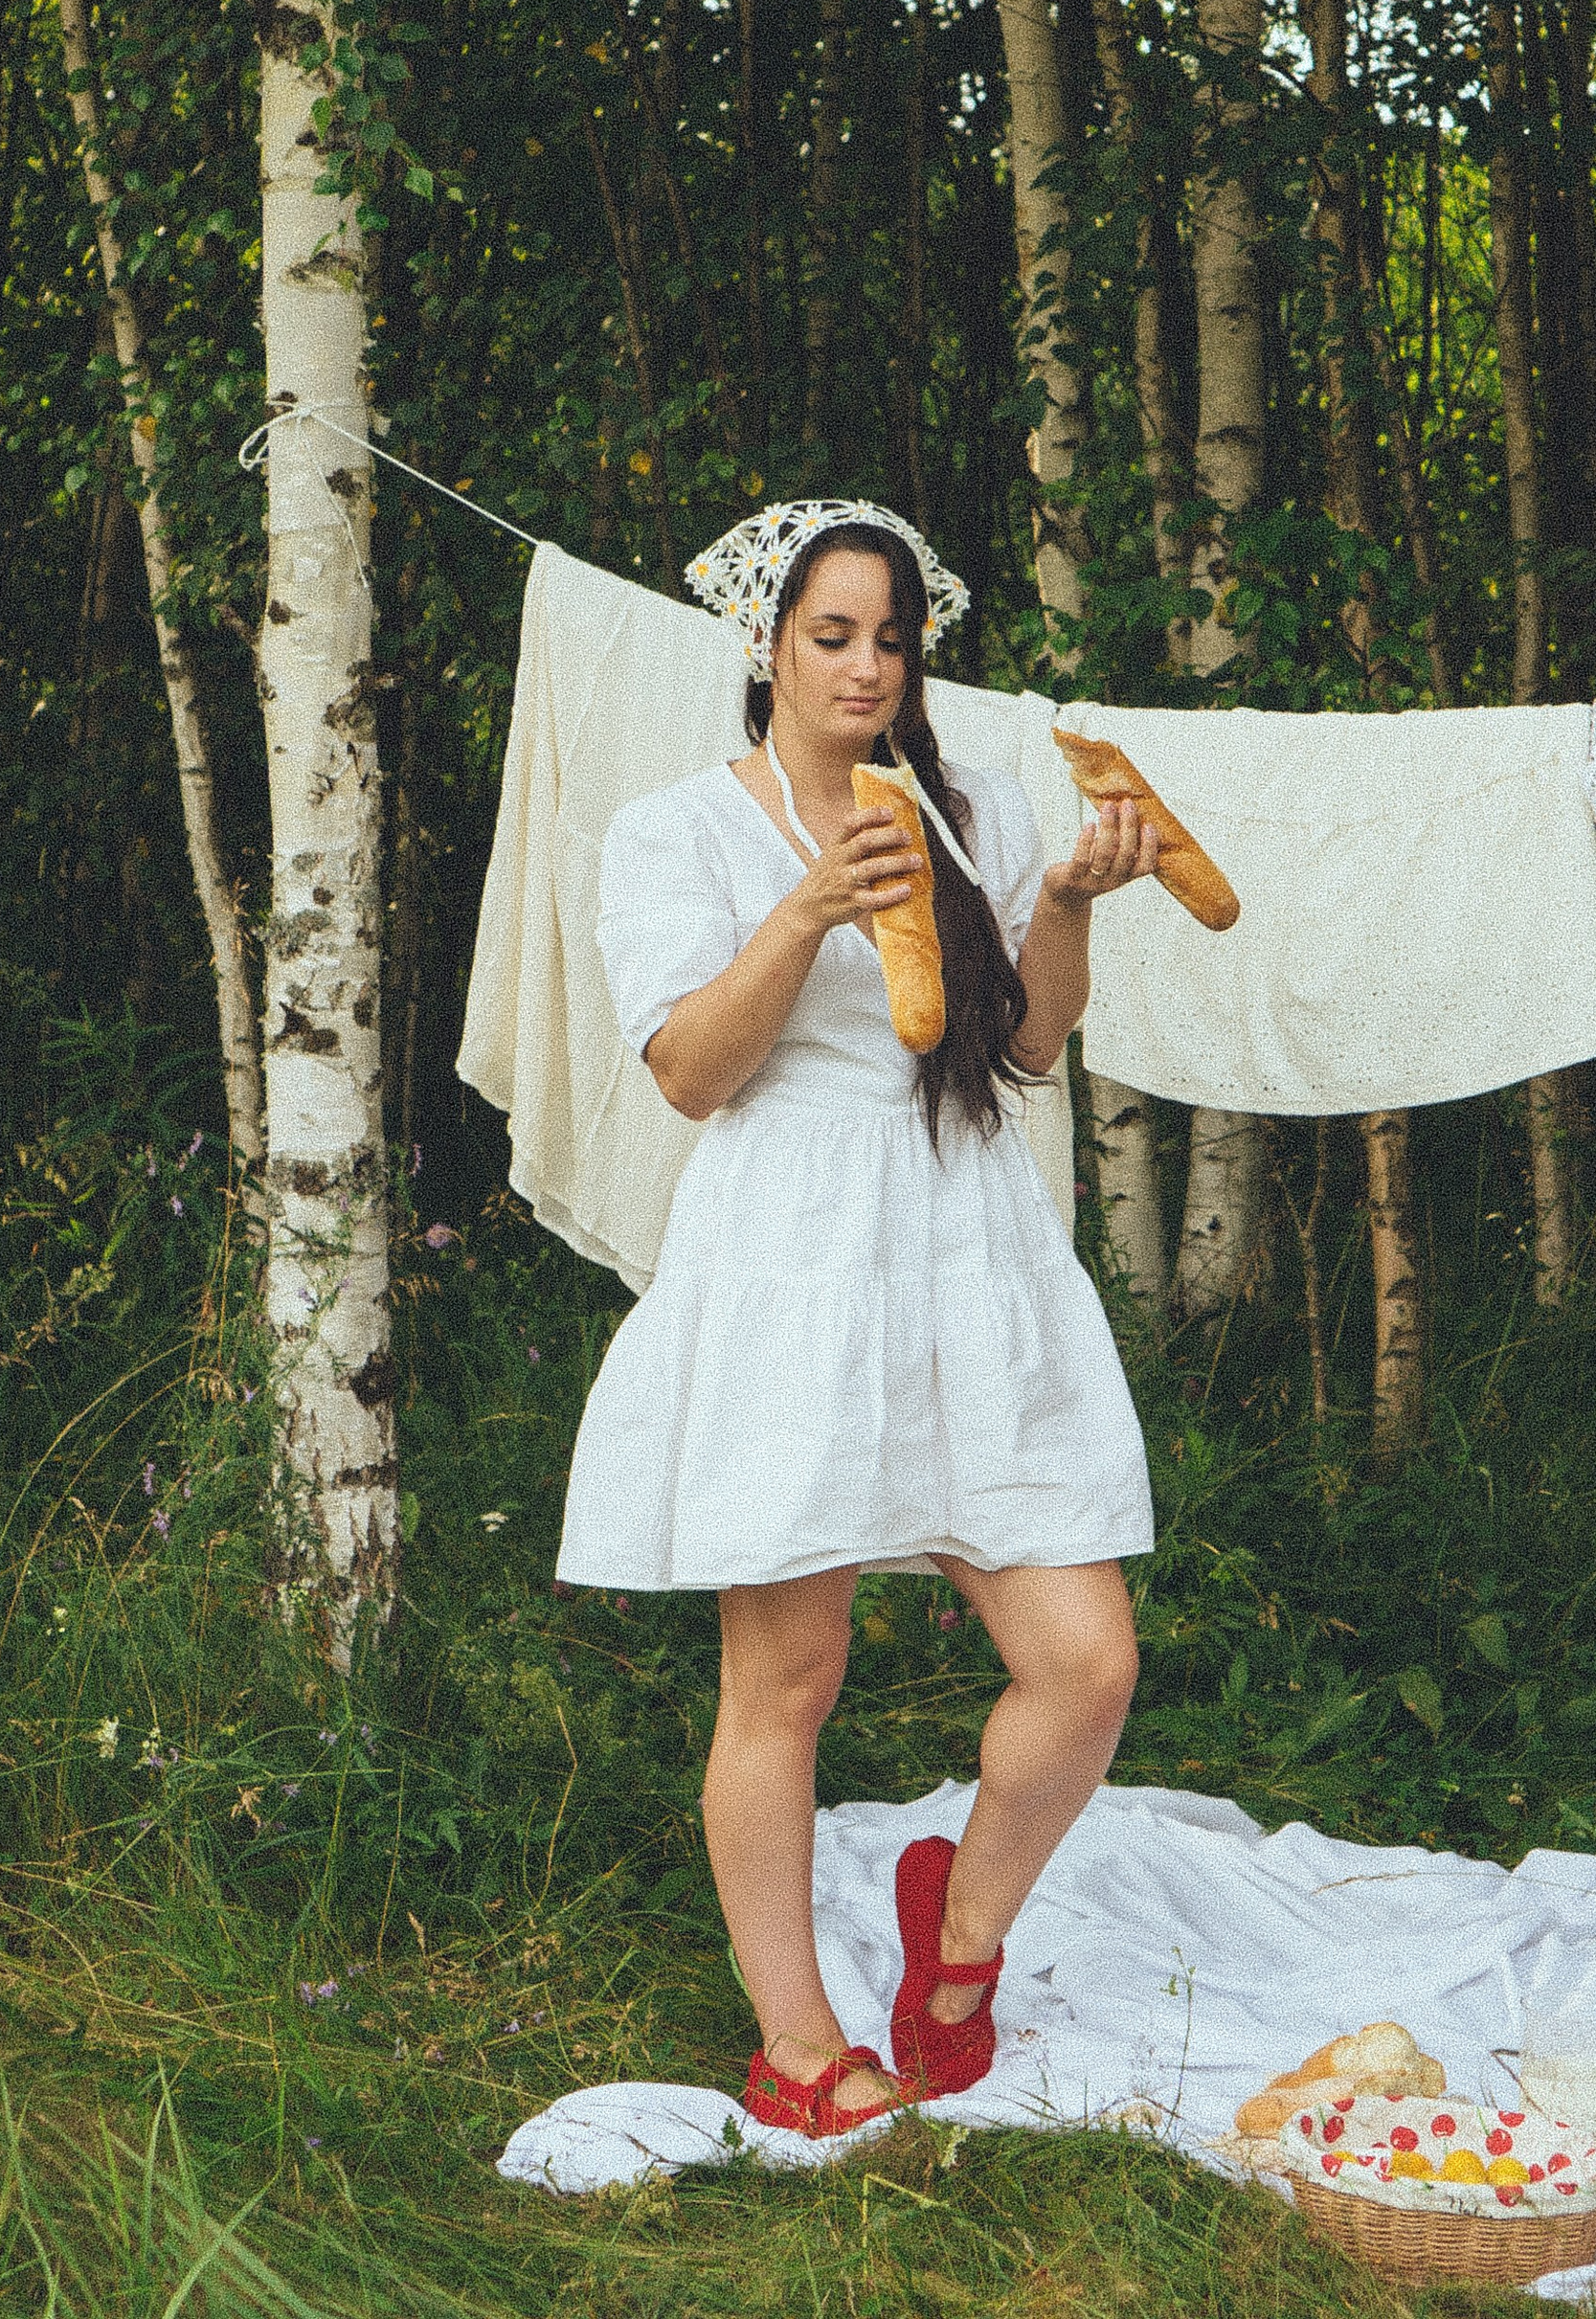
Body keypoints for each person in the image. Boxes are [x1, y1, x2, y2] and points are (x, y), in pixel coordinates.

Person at [555, 498, 1159, 2138]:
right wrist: (807, 908)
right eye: (832, 635)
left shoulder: (972, 809)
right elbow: (689, 1073)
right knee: (790, 1677)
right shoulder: (678, 832)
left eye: (892, 637)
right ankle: (797, 2042)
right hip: (792, 1262)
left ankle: (954, 1947)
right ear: (764, 648)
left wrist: (1074, 904)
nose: (868, 666)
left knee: (1085, 1661)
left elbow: (1027, 1052)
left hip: (970, 1245)